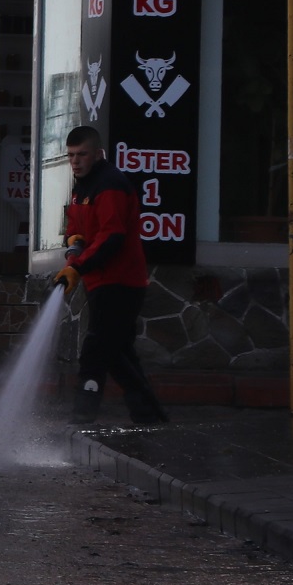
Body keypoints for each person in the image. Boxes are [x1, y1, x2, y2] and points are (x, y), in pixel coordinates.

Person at [56, 125, 168, 424]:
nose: (75, 161)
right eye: (71, 156)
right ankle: (150, 416)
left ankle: (84, 411)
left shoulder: (110, 185)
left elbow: (111, 236)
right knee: (117, 352)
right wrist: (73, 250)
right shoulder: (83, 185)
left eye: (82, 154)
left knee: (97, 347)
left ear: (97, 153)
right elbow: (76, 228)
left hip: (121, 281)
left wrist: (77, 266)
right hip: (100, 281)